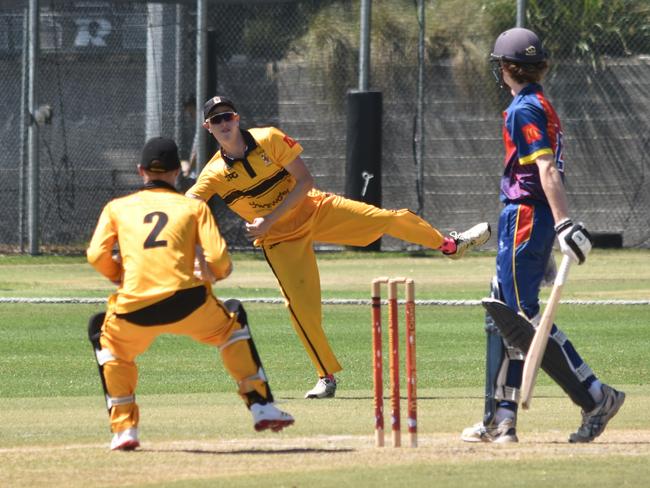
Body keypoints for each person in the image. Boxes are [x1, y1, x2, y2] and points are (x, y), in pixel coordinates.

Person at [186, 96, 492, 399]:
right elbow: (186, 207)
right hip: (279, 240)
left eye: (228, 116)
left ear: (237, 118)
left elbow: (305, 181)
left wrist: (268, 218)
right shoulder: (213, 174)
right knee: (301, 309)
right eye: (216, 120)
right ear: (207, 127)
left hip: (315, 209)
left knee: (386, 219)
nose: (224, 123)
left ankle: (450, 244)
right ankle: (325, 377)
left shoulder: (270, 138)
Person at [460, 27, 624, 444]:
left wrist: (563, 223)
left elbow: (546, 168)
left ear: (506, 69)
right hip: (530, 219)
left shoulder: (525, 110)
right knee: (502, 316)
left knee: (518, 319)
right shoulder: (537, 104)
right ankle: (500, 418)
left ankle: (594, 395)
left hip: (527, 216)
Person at [86, 137, 294, 451]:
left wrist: (119, 276)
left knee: (104, 336)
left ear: (140, 170)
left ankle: (125, 429)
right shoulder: (193, 207)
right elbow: (221, 262)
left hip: (134, 308)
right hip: (190, 303)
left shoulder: (117, 208)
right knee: (232, 321)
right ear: (176, 172)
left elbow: (95, 255)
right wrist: (213, 274)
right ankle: (260, 404)